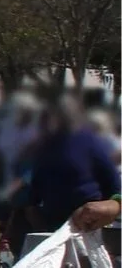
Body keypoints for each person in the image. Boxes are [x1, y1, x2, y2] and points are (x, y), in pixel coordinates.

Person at [26, 95, 122, 235]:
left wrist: (112, 206)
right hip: (53, 225)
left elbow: (114, 185)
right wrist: (34, 214)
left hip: (87, 225)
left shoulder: (90, 142)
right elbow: (35, 189)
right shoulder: (45, 147)